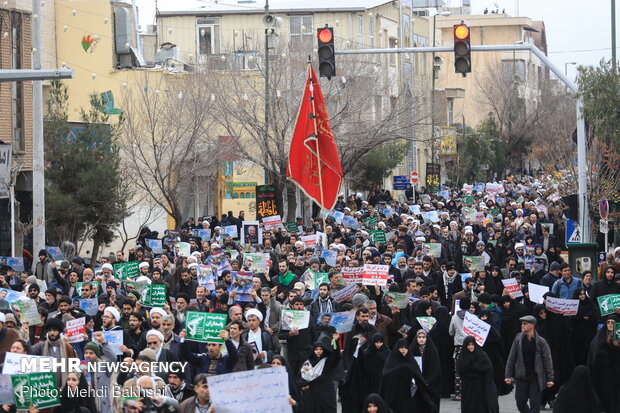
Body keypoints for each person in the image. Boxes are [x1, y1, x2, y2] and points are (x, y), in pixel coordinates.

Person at [505, 315, 554, 413]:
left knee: (535, 402)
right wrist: (508, 375)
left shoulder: (541, 342)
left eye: (525, 324)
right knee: (520, 402)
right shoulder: (518, 340)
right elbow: (511, 358)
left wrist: (550, 378)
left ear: (532, 325)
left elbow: (547, 361)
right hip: (521, 375)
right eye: (522, 324)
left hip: (535, 376)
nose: (522, 326)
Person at [299, 334, 341, 413]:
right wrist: (303, 385)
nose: (318, 351)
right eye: (316, 349)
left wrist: (335, 342)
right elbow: (300, 380)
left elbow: (336, 357)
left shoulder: (327, 362)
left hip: (326, 396)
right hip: (312, 397)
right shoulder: (307, 363)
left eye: (321, 349)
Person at [457, 335, 499, 413]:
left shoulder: (481, 354)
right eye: (468, 345)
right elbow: (461, 370)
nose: (470, 347)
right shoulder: (463, 356)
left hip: (480, 386)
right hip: (468, 387)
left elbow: (488, 369)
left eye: (472, 344)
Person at [410, 329, 442, 410]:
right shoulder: (412, 350)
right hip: (416, 384)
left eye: (423, 337)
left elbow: (435, 368)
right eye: (419, 337)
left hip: (430, 384)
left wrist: (427, 381)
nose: (421, 339)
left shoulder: (432, 350)